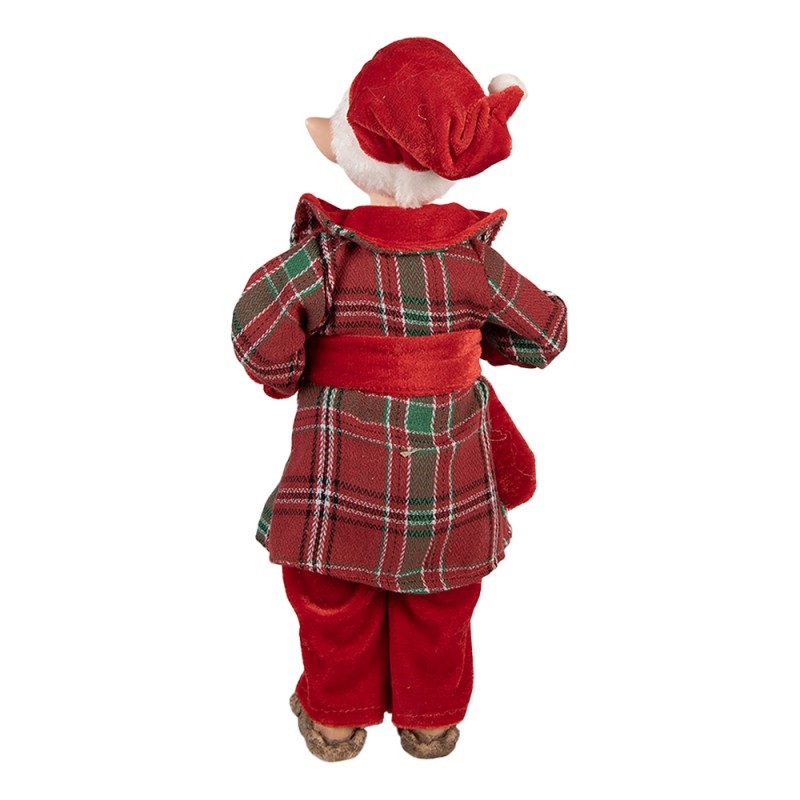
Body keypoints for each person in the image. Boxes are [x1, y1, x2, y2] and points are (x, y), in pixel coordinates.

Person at [231, 37, 567, 761]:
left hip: (337, 483)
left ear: (356, 152)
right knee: (439, 605)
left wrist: (289, 372)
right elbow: (546, 333)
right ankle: (431, 720)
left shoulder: (328, 253)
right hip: (447, 493)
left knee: (331, 601)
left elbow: (257, 325)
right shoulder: (474, 259)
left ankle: (335, 719)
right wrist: (467, 347)